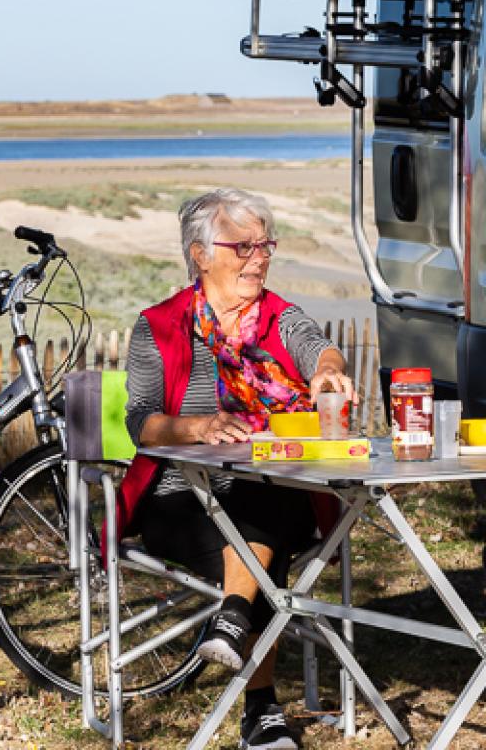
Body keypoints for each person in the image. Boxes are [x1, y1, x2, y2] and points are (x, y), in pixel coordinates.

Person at [118, 189, 356, 750]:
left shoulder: (279, 317)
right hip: (181, 501)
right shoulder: (159, 326)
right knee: (258, 538)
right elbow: (140, 422)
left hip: (273, 496)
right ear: (201, 255)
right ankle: (261, 710)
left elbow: (318, 347)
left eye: (266, 244)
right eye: (243, 246)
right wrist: (198, 427)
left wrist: (325, 372)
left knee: (264, 500)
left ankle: (232, 621)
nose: (259, 257)